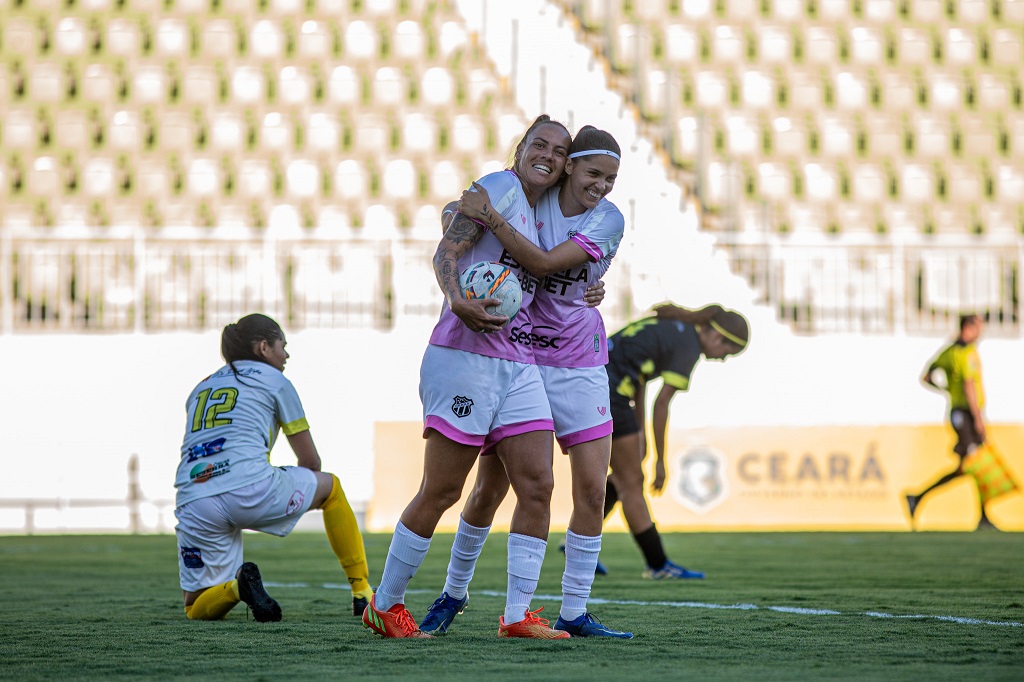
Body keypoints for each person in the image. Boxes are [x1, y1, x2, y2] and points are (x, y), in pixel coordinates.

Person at [417, 126, 633, 639]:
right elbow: (459, 214)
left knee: (591, 490)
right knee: (489, 490)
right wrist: (463, 217)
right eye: (593, 173)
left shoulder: (608, 218)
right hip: (522, 356)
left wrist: (487, 218)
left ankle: (573, 611)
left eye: (611, 179)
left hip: (579, 362)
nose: (601, 185)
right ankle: (453, 593)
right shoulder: (533, 196)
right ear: (568, 167)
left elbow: (541, 263)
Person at [362, 115, 573, 639]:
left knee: (538, 485)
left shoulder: (541, 213)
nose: (547, 155)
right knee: (442, 490)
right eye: (539, 144)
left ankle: (517, 615)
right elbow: (448, 249)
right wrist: (457, 299)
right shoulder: (500, 186)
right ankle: (384, 605)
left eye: (558, 151)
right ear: (520, 149)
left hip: (519, 362)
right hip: (464, 356)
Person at [174, 313, 374, 621]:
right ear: (264, 347)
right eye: (283, 345)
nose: (287, 354)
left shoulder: (200, 387)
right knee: (331, 487)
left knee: (194, 605)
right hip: (250, 489)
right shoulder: (275, 380)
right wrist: (295, 491)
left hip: (195, 498)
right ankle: (362, 592)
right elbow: (311, 462)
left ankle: (238, 589)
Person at [602, 303, 750, 578]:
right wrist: (661, 460)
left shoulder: (678, 331)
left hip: (598, 381)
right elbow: (662, 404)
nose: (723, 359)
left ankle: (579, 542)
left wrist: (640, 432)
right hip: (609, 391)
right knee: (632, 482)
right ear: (717, 336)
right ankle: (658, 565)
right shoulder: (689, 346)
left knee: (626, 472)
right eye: (727, 352)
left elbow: (640, 378)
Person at [905, 314, 999, 531]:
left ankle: (918, 498)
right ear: (968, 328)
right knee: (974, 464)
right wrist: (978, 419)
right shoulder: (966, 353)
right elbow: (969, 386)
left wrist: (946, 390)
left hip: (957, 413)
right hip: (966, 415)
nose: (980, 333)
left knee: (971, 466)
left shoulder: (948, 352)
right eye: (978, 328)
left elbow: (926, 377)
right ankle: (919, 498)